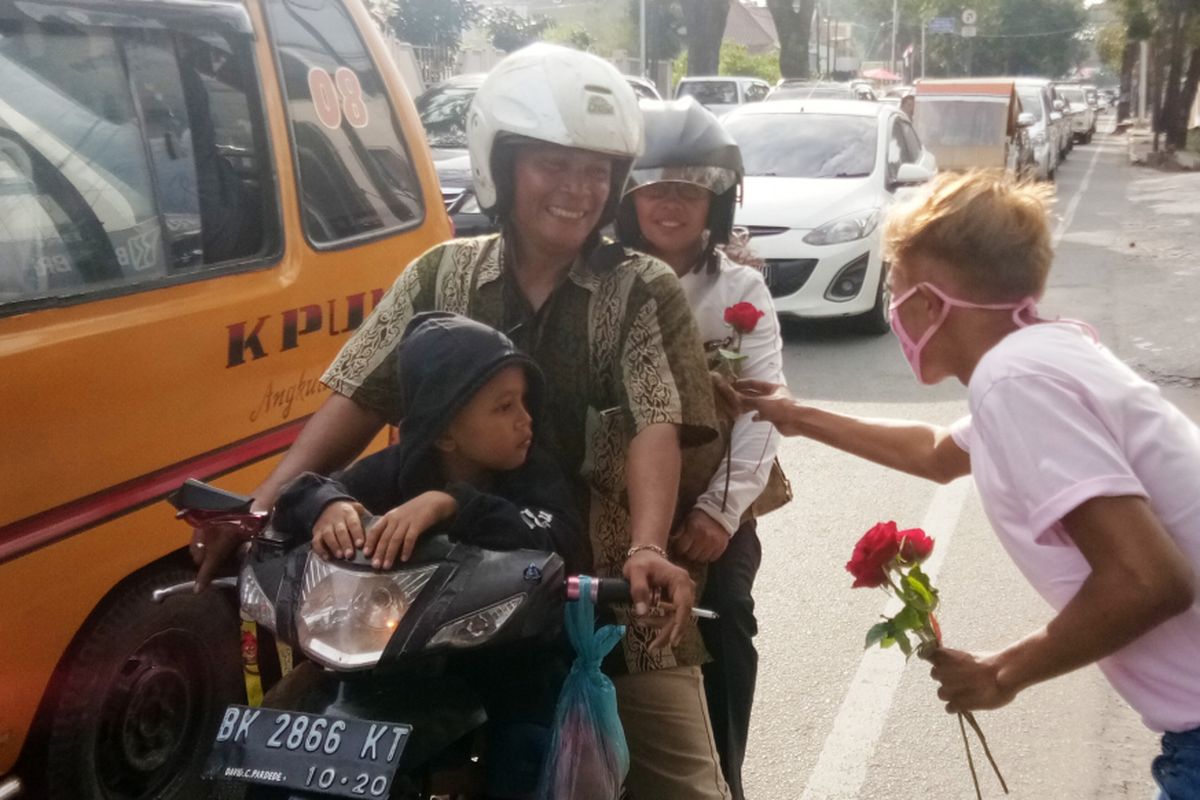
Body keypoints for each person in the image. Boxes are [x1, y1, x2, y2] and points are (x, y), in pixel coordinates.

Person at [191, 43, 730, 800]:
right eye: (554, 164)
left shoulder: (642, 290)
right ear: (500, 166)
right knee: (273, 754)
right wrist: (259, 510)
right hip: (420, 602)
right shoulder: (439, 274)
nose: (579, 190)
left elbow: (655, 421)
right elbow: (360, 396)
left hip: (597, 596)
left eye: (596, 171)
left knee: (683, 788)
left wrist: (645, 546)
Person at [735, 170, 1199, 799]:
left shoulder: (1016, 379)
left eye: (896, 291)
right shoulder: (1045, 354)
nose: (895, 311)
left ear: (928, 303)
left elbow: (1150, 580)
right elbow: (935, 453)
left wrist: (1004, 673)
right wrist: (795, 415)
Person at [271, 311, 584, 799]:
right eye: (504, 407)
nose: (526, 419)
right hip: (391, 673)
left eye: (524, 402)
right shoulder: (392, 473)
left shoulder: (534, 474)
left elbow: (560, 536)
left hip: (511, 673)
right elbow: (302, 493)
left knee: (528, 751)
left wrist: (453, 503)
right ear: (443, 432)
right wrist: (326, 505)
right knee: (280, 746)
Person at [614, 97, 786, 800]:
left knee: (727, 623)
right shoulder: (603, 279)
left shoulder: (742, 289)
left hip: (716, 500)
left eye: (690, 190)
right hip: (614, 497)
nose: (672, 204)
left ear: (715, 201)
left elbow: (764, 407)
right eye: (656, 189)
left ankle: (727, 778)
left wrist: (719, 513)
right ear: (629, 197)